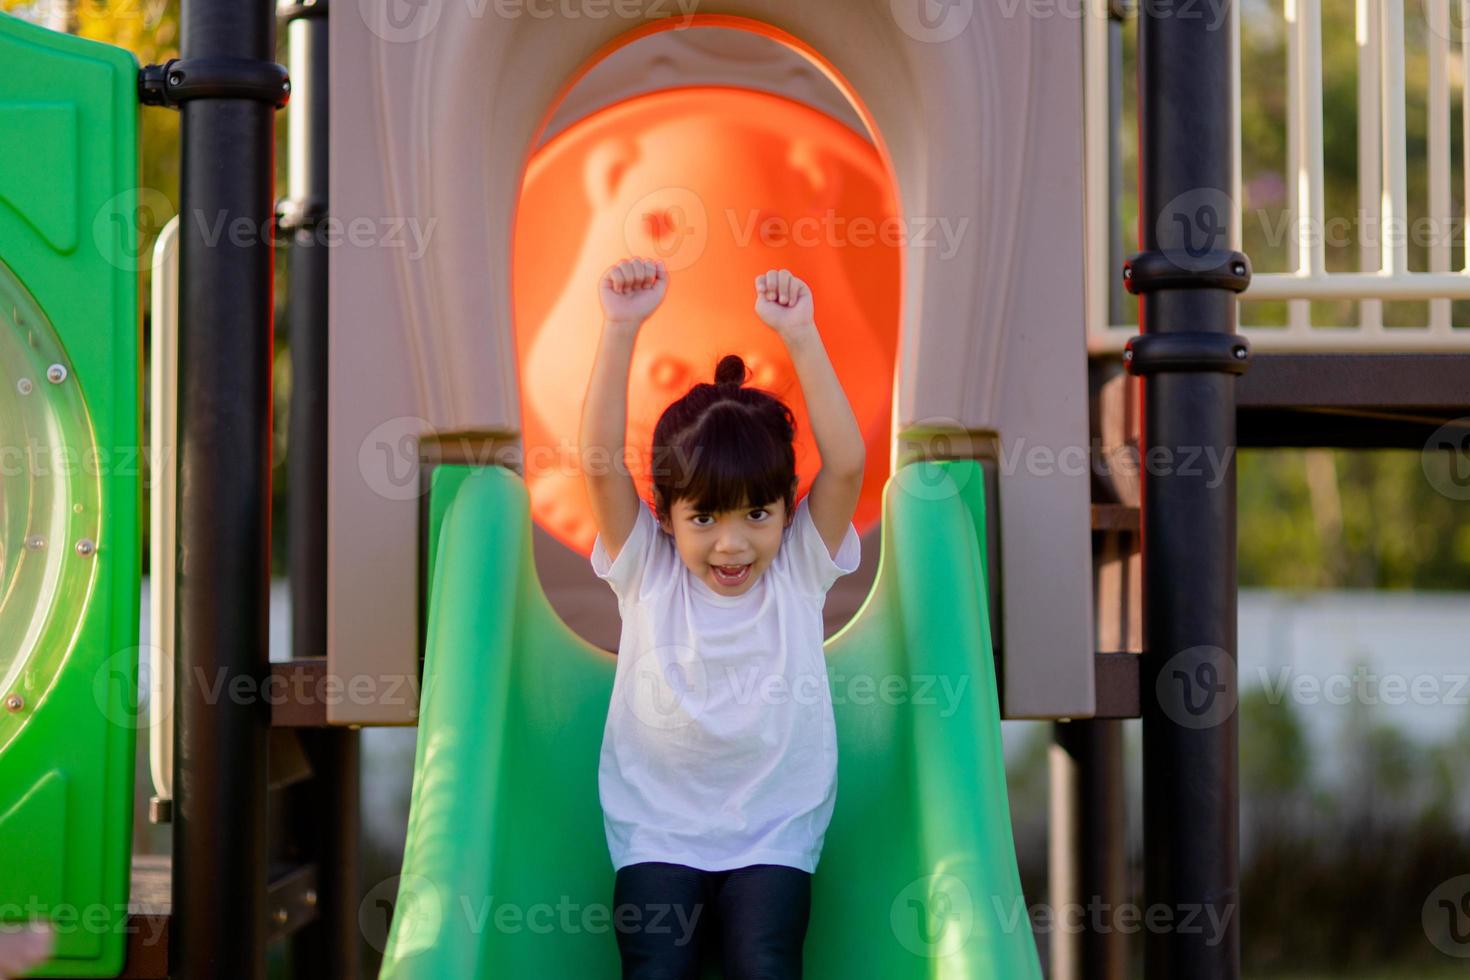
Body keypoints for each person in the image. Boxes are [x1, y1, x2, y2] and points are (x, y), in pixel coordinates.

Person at [580, 257, 866, 979]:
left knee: (763, 963)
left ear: (784, 510)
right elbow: (597, 464)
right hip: (656, 828)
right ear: (668, 516)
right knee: (656, 967)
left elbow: (848, 465)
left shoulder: (798, 568)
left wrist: (800, 334)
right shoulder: (648, 570)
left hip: (774, 829)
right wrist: (620, 328)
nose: (732, 543)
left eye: (757, 515)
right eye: (704, 516)